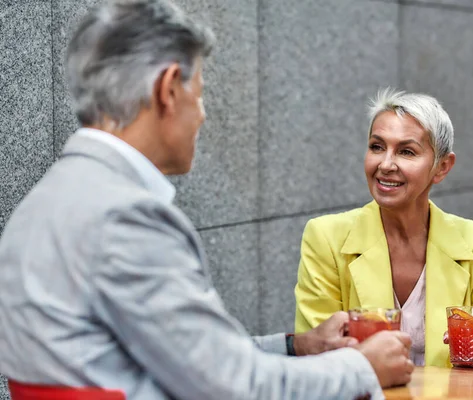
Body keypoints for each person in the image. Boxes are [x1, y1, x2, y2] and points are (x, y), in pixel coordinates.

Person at [0, 1, 415, 399]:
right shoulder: (126, 217)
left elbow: (191, 360)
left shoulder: (45, 204)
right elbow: (235, 388)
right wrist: (362, 367)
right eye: (199, 93)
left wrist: (297, 346)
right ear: (167, 90)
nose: (201, 114)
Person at [294, 88, 473, 370]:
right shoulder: (325, 238)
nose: (385, 164)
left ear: (442, 167)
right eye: (376, 146)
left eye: (406, 151)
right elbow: (316, 360)